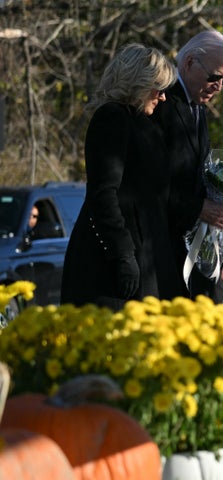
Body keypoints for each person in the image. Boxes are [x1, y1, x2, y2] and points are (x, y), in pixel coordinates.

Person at [61, 43, 179, 310]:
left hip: (146, 254)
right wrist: (123, 255)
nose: (162, 98)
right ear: (139, 82)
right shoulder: (111, 118)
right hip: (111, 261)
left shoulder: (146, 125)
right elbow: (103, 192)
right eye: (158, 89)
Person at [152, 29, 223, 299]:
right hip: (160, 253)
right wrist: (200, 207)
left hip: (189, 252)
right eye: (215, 77)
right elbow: (152, 182)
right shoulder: (161, 103)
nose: (219, 87)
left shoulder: (197, 106)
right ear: (189, 63)